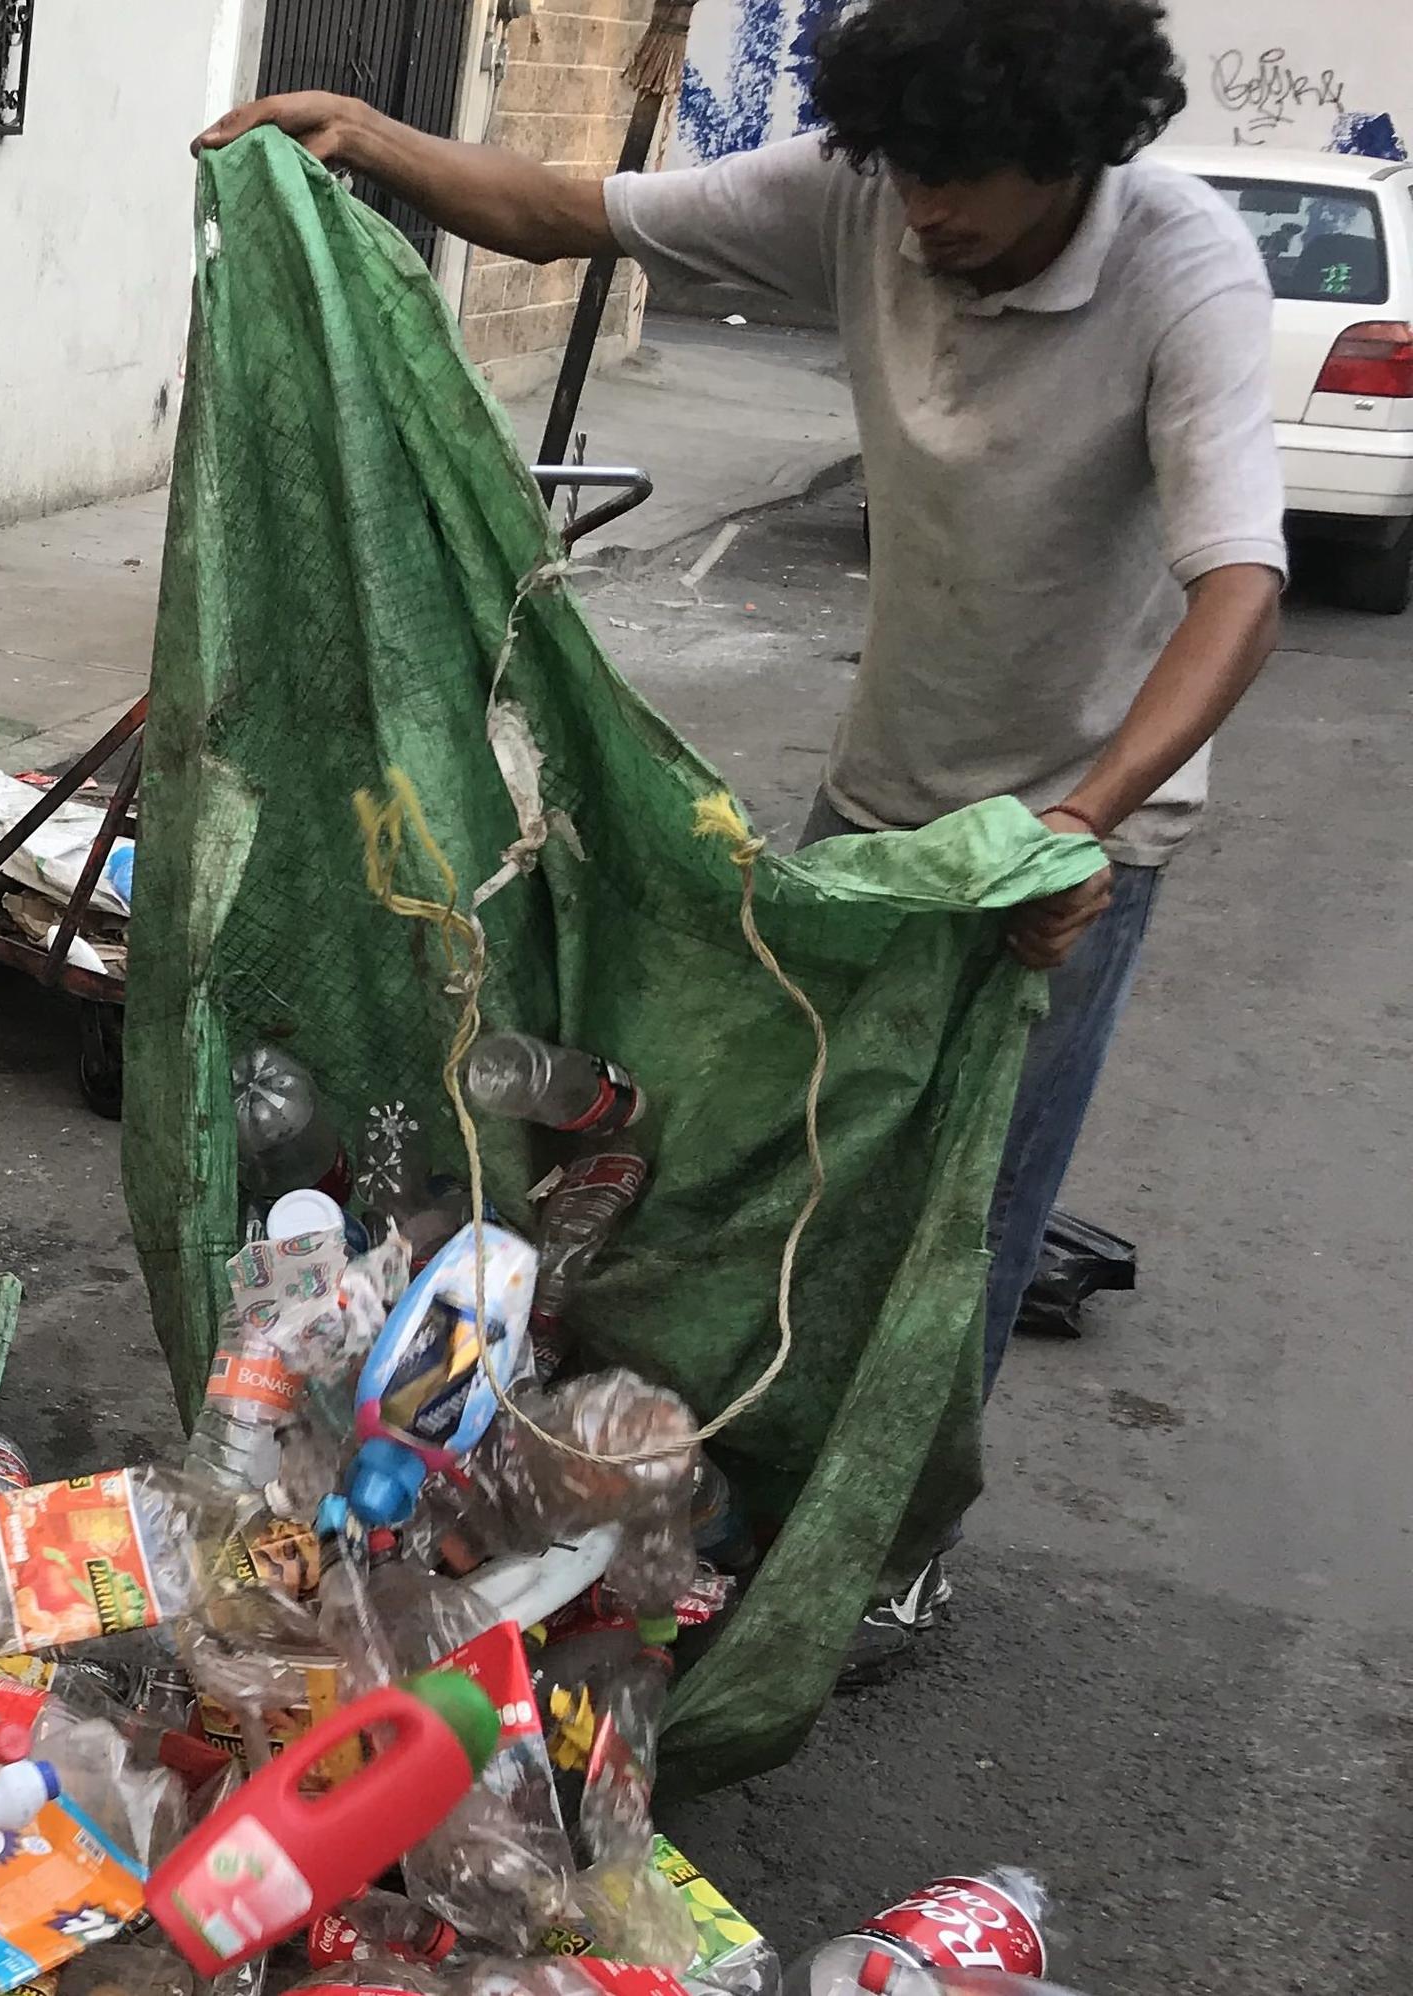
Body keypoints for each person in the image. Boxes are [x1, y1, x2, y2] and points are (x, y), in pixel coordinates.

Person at [201, 0, 1283, 1679]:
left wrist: (1081, 821)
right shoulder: (871, 194)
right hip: (877, 807)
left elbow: (1241, 589)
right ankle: (749, 1468)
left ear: (1081, 149)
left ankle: (901, 1552)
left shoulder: (1183, 272)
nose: (925, 216)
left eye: (966, 181)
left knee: (967, 1215)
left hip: (1066, 848)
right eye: (905, 173)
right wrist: (369, 136)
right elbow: (573, 214)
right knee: (801, 1177)